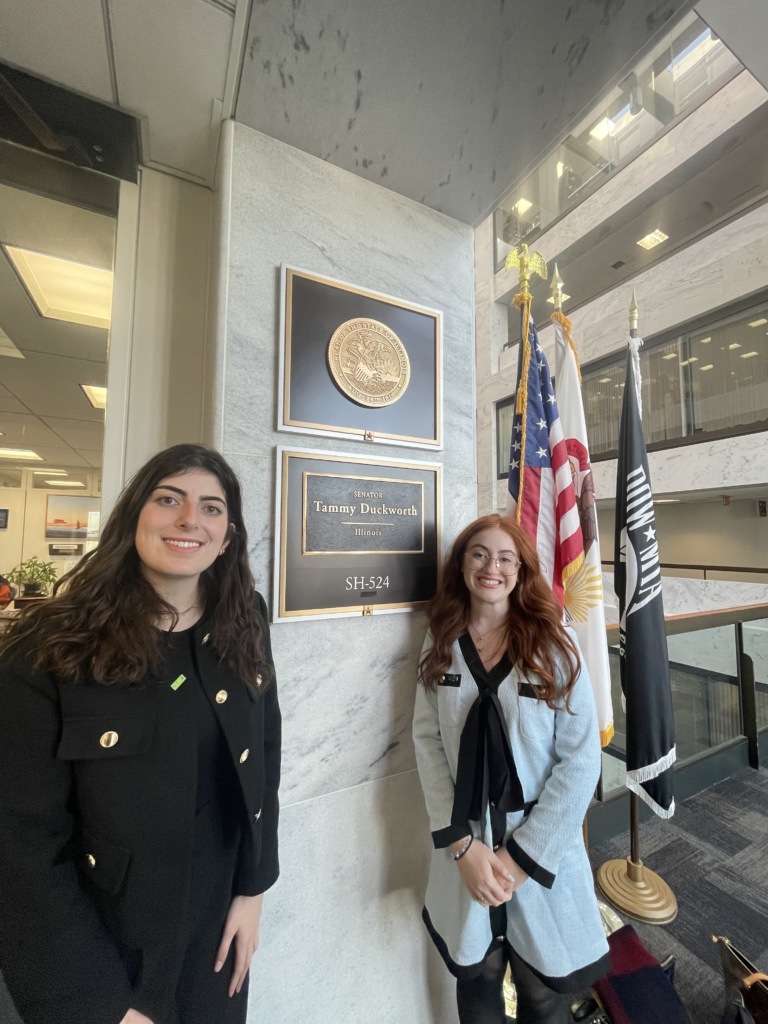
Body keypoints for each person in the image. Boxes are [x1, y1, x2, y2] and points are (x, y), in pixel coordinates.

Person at [0, 444, 281, 1024]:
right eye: (168, 500)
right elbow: (20, 844)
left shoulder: (244, 619)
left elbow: (264, 755)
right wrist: (95, 1002)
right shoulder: (51, 646)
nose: (188, 521)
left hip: (215, 934)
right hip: (105, 943)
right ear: (133, 518)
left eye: (211, 508)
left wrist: (253, 891)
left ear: (227, 536)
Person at [413, 514, 609, 1024]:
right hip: (468, 849)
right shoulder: (441, 640)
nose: (491, 567)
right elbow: (428, 740)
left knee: (542, 995)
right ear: (462, 564)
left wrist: (520, 860)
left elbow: (581, 758)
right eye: (478, 554)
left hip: (537, 848)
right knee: (477, 982)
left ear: (521, 570)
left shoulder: (553, 644)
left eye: (505, 557)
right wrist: (461, 845)